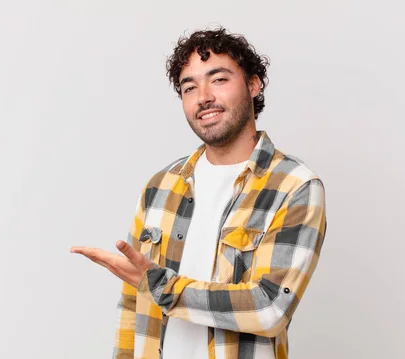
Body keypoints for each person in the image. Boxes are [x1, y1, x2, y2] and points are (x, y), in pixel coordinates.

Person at [71, 26, 328, 359]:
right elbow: (134, 304)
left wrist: (161, 286)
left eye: (218, 79)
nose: (203, 96)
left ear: (253, 84)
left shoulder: (294, 186)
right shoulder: (160, 186)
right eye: (189, 87)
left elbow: (269, 308)